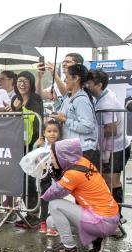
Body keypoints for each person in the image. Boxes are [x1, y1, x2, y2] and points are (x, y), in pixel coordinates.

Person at [42, 138, 119, 252]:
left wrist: (53, 177)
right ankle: (96, 237)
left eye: (53, 157)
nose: (51, 161)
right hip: (109, 218)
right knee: (51, 222)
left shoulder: (72, 174)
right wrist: (60, 176)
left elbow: (51, 195)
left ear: (62, 156)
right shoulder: (81, 161)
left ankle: (69, 247)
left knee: (54, 204)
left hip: (102, 221)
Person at [86, 70, 127, 204]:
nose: (86, 85)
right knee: (106, 179)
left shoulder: (106, 103)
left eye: (89, 83)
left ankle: (117, 215)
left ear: (99, 85)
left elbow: (112, 129)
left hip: (117, 148)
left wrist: (93, 132)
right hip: (112, 147)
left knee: (112, 180)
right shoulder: (102, 97)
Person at [10, 71, 45, 227]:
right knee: (22, 180)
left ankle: (33, 214)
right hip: (18, 144)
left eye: (25, 81)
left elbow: (39, 119)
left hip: (32, 144)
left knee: (30, 180)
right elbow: (13, 121)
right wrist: (15, 109)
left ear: (30, 83)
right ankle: (28, 212)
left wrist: (39, 141)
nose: (22, 84)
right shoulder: (15, 99)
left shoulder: (35, 99)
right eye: (19, 81)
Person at [51, 64, 98, 167]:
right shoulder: (69, 96)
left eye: (66, 77)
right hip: (72, 148)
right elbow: (63, 113)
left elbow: (87, 126)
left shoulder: (81, 100)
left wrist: (65, 120)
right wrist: (56, 101)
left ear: (76, 78)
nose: (64, 80)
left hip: (83, 149)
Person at [36, 120, 62, 235]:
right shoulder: (42, 146)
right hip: (44, 177)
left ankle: (53, 225)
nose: (52, 134)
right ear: (44, 133)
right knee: (44, 200)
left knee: (56, 202)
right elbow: (34, 156)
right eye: (49, 131)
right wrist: (36, 146)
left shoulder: (61, 146)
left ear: (59, 133)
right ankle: (43, 222)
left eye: (55, 131)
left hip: (57, 179)